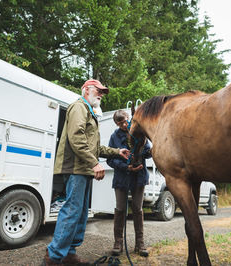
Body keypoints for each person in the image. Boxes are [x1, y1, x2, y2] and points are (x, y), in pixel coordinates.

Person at [44, 80, 130, 266]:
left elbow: (95, 147)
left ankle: (69, 253)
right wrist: (94, 163)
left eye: (102, 92)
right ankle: (54, 256)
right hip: (76, 168)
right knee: (72, 211)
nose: (100, 94)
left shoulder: (90, 112)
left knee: (81, 213)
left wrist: (117, 152)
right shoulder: (78, 107)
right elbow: (76, 138)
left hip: (83, 169)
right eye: (97, 90)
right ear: (86, 90)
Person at [107, 110, 152, 257]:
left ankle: (140, 243)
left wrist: (148, 152)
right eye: (120, 123)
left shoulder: (138, 131)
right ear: (116, 123)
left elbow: (146, 152)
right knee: (120, 209)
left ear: (129, 118)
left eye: (125, 121)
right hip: (122, 178)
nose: (124, 124)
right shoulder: (114, 136)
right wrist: (126, 167)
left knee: (138, 210)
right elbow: (110, 160)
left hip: (139, 177)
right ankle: (118, 243)